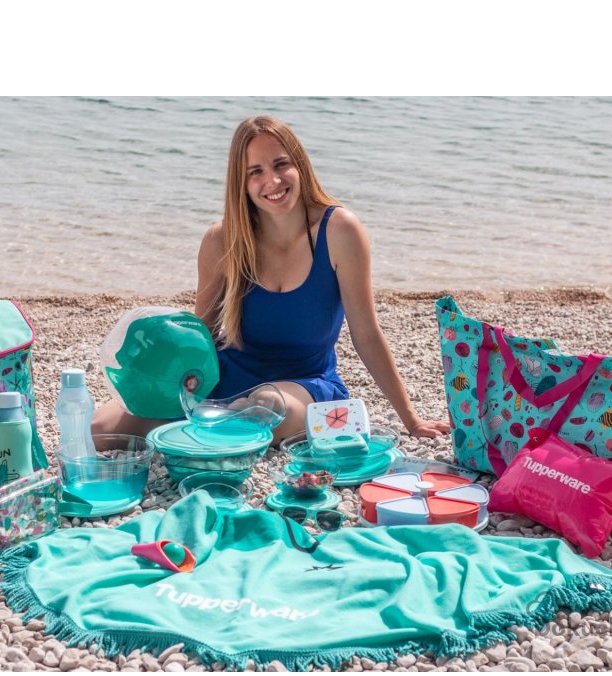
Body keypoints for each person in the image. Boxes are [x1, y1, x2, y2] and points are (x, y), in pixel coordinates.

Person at [92, 115, 447, 443]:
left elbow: (366, 334)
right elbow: (199, 337)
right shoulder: (222, 240)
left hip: (302, 388)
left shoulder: (340, 231)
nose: (272, 181)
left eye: (281, 164)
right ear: (242, 182)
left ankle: (198, 433)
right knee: (98, 430)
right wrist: (157, 382)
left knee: (264, 407)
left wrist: (411, 418)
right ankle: (205, 432)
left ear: (300, 165)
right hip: (225, 378)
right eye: (255, 172)